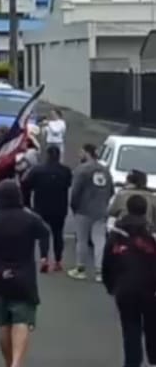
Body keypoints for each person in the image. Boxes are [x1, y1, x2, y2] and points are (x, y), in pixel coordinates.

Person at [0, 180, 49, 367]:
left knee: (3, 324)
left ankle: (8, 362)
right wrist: (45, 255)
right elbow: (45, 232)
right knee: (22, 320)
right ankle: (17, 363)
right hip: (24, 278)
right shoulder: (29, 218)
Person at [102, 194, 156, 367]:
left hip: (124, 288)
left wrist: (111, 286)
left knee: (130, 326)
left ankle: (132, 362)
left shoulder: (116, 234)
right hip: (150, 288)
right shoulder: (151, 234)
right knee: (152, 326)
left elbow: (107, 262)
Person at [21, 145, 73, 273]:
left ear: (47, 155)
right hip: (60, 207)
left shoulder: (37, 170)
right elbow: (69, 184)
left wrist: (26, 202)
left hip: (41, 207)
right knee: (58, 234)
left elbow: (25, 184)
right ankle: (58, 261)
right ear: (59, 156)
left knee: (43, 233)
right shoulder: (66, 171)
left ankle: (44, 259)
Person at [68, 143, 114, 282]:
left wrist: (74, 206)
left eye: (81, 152)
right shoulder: (105, 170)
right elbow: (111, 190)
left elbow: (75, 191)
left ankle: (80, 269)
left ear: (87, 152)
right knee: (99, 239)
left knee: (82, 239)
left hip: (84, 208)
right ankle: (100, 271)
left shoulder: (81, 170)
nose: (79, 154)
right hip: (101, 209)